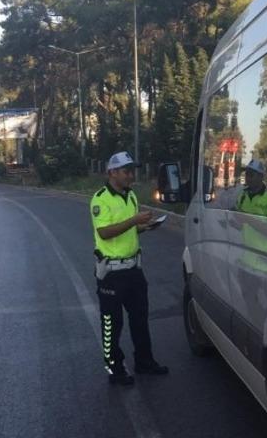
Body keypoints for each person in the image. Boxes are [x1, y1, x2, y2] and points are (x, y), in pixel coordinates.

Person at [90, 151, 168, 385]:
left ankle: (144, 361)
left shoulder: (131, 196)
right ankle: (114, 368)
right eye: (126, 171)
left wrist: (146, 227)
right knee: (111, 324)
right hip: (112, 273)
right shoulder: (100, 199)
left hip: (134, 269)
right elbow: (105, 232)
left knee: (140, 319)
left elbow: (129, 230)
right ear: (112, 172)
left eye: (132, 170)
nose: (130, 175)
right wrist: (135, 221)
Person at [234, 159, 267, 272]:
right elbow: (240, 224)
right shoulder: (243, 195)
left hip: (264, 264)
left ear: (261, 177)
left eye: (251, 174)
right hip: (245, 260)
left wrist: (248, 219)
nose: (247, 177)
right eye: (246, 174)